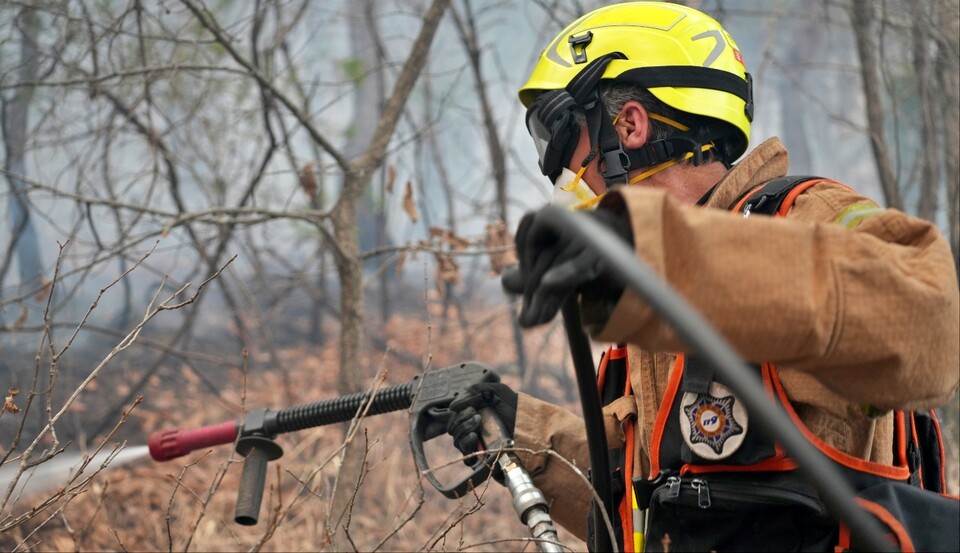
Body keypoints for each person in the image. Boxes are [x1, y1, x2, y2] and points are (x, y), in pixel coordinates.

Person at [445, 2, 960, 551]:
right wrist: (518, 430)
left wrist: (665, 253)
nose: (565, 172)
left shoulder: (807, 220)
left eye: (562, 138)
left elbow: (932, 324)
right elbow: (639, 509)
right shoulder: (647, 294)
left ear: (630, 125)